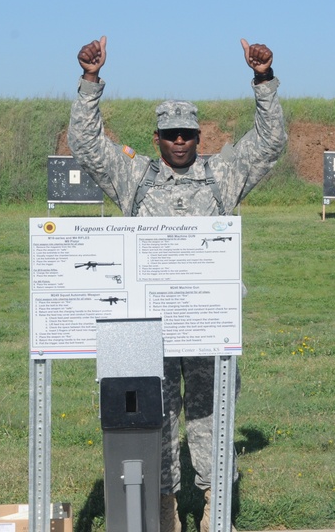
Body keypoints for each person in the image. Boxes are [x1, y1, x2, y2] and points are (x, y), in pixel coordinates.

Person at [68, 35, 287, 532]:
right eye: (171, 135)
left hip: (208, 329)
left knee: (210, 420)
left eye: (188, 133)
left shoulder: (222, 176)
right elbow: (85, 142)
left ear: (199, 135)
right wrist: (89, 82)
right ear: (157, 139)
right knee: (158, 420)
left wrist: (263, 81)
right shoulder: (134, 178)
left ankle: (214, 508)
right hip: (150, 331)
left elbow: (270, 142)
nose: (181, 141)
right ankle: (163, 508)